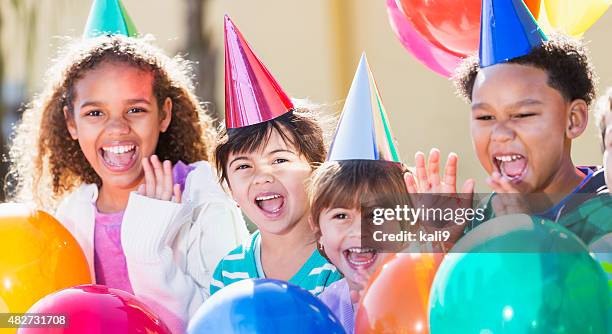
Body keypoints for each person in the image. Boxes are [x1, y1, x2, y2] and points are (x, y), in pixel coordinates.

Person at [7, 2, 248, 331]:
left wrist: (149, 251)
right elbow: (51, 316)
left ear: (163, 114)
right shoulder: (71, 215)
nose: (117, 128)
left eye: (135, 110)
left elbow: (222, 320)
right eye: (95, 113)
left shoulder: (202, 199)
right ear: (71, 122)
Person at [209, 16, 341, 296]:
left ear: (316, 169)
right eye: (243, 165)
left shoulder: (341, 260)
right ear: (230, 189)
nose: (262, 176)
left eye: (279, 160)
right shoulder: (228, 272)